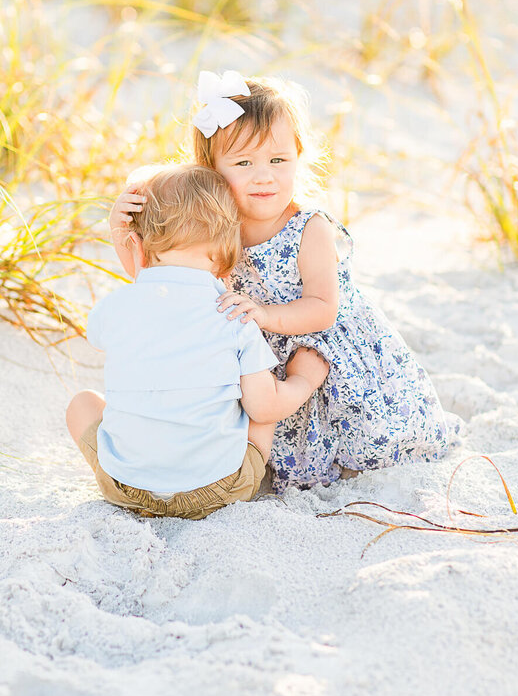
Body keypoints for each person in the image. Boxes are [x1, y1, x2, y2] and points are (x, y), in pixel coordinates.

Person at [110, 71, 459, 494]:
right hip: (254, 359)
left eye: (278, 161)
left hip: (314, 348)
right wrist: (120, 228)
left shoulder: (308, 227)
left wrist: (264, 315)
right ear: (211, 171)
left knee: (366, 441)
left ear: (298, 157)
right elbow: (164, 286)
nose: (264, 177)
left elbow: (323, 307)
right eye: (243, 163)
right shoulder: (214, 227)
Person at [68, 164, 328, 518]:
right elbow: (265, 409)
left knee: (82, 403)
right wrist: (303, 380)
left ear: (137, 249)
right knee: (257, 404)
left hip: (126, 486)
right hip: (217, 490)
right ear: (227, 259)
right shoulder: (233, 315)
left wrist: (122, 235)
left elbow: (100, 335)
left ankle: (141, 468)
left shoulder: (114, 307)